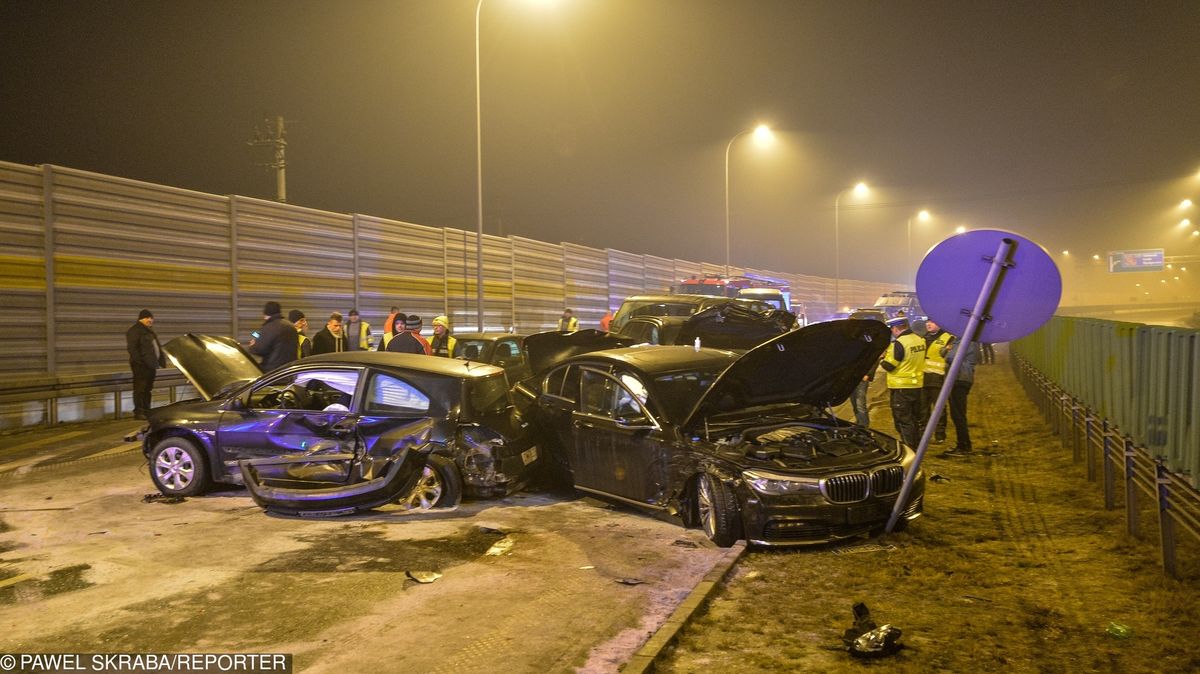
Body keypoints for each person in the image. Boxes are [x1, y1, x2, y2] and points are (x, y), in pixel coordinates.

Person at [879, 316, 926, 450]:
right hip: (917, 385)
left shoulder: (899, 343)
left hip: (901, 387)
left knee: (903, 420)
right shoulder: (919, 340)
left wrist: (881, 358)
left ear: (895, 329)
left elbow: (890, 366)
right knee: (914, 418)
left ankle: (909, 448)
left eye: (892, 329)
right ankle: (917, 445)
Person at [943, 339, 981, 454]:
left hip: (959, 379)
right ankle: (963, 443)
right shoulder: (967, 340)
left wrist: (948, 350)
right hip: (961, 378)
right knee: (958, 413)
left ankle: (964, 445)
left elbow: (951, 356)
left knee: (958, 414)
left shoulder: (965, 340)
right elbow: (943, 352)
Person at [126, 309, 165, 419]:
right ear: (141, 319)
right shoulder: (135, 331)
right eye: (147, 318)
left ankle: (147, 410)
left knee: (148, 389)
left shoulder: (149, 331)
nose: (150, 320)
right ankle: (139, 412)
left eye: (151, 318)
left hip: (151, 365)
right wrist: (140, 362)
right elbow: (132, 349)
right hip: (141, 366)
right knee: (140, 389)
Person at [919, 319, 953, 443]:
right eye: (927, 322)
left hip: (938, 379)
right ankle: (923, 435)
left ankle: (940, 435)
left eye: (932, 322)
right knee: (923, 409)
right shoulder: (923, 338)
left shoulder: (948, 338)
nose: (928, 324)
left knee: (939, 409)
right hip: (923, 379)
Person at [249, 301, 298, 373]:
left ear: (266, 314)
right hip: (289, 372)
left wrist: (253, 345)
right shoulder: (291, 326)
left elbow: (259, 349)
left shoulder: (269, 327)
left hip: (273, 373)